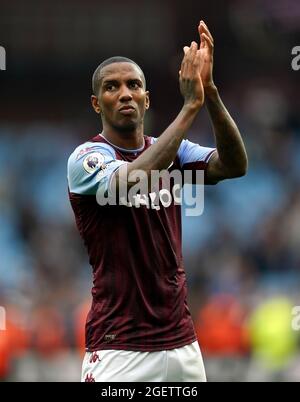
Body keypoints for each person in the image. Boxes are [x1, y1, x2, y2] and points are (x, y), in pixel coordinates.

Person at [67, 20, 248, 382]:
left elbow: (234, 165)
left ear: (147, 99)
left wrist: (209, 93)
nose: (124, 94)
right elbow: (133, 179)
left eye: (134, 85)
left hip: (181, 344)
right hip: (120, 347)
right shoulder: (86, 159)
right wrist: (189, 108)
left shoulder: (176, 153)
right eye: (111, 87)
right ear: (95, 103)